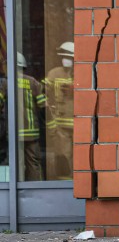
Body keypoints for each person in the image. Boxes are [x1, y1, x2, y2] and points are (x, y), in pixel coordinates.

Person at [44, 42, 75, 180]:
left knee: (81, 154)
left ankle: (80, 182)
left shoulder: (81, 73)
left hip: (79, 123)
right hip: (61, 124)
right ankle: (64, 182)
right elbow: (43, 91)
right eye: (63, 57)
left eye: (68, 57)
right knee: (63, 154)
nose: (65, 60)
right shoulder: (54, 73)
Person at [15, 52, 46, 181]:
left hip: (14, 132)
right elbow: (42, 105)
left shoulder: (7, 83)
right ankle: (37, 188)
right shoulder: (32, 82)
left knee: (17, 163)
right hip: (31, 131)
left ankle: (19, 188)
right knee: (33, 162)